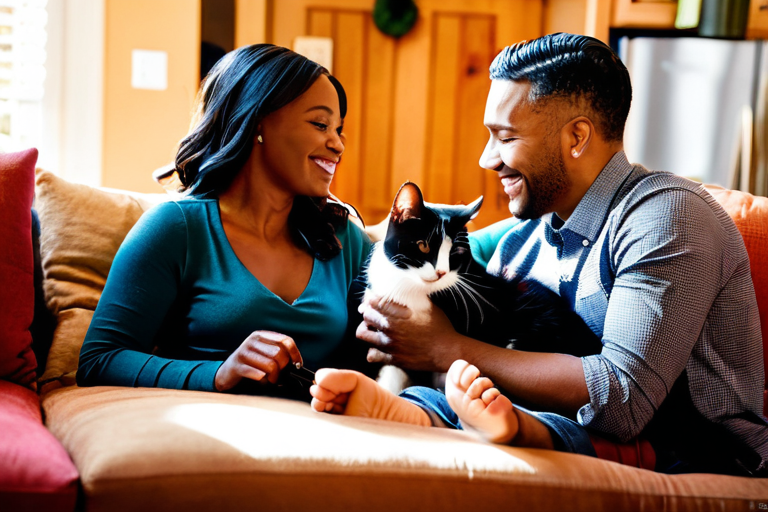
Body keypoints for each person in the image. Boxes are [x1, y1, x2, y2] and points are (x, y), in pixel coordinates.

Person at [309, 33, 768, 477]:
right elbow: (399, 242)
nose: (487, 159)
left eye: (505, 138)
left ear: (576, 137)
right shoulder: (528, 232)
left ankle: (435, 415)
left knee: (480, 396)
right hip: (565, 423)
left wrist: (446, 349)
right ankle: (419, 410)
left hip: (698, 449)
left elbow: (623, 401)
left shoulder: (667, 217)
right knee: (468, 396)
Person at [77, 44, 374, 399]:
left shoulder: (346, 240)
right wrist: (219, 372)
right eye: (320, 124)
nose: (338, 144)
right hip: (206, 432)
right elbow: (99, 360)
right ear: (257, 121)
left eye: (339, 129)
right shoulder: (176, 228)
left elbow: (376, 362)